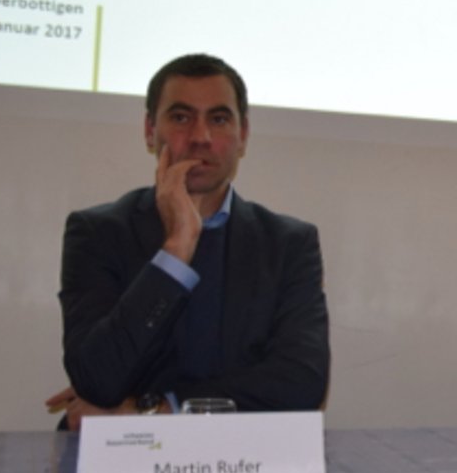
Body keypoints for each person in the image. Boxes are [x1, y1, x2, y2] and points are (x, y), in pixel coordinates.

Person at [47, 54, 329, 429]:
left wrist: (152, 410)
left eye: (219, 118)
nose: (200, 137)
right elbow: (97, 380)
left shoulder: (289, 244)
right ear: (150, 130)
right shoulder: (98, 232)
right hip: (119, 469)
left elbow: (301, 385)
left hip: (244, 462)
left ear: (243, 134)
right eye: (181, 118)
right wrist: (177, 249)